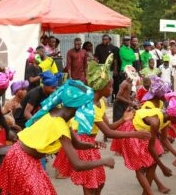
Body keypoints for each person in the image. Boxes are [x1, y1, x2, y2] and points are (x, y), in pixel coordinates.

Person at [0, 80, 115, 195]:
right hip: (21, 159)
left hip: (23, 157)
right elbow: (77, 165)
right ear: (79, 106)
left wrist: (91, 145)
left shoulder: (60, 114)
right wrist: (104, 161)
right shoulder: (59, 125)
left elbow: (76, 143)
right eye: (88, 104)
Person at [54, 55, 150, 195]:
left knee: (99, 182)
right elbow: (109, 133)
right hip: (81, 142)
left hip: (89, 142)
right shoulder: (90, 106)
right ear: (100, 86)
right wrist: (136, 134)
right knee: (91, 184)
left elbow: (109, 128)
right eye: (109, 86)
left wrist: (123, 119)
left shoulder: (101, 104)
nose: (111, 89)